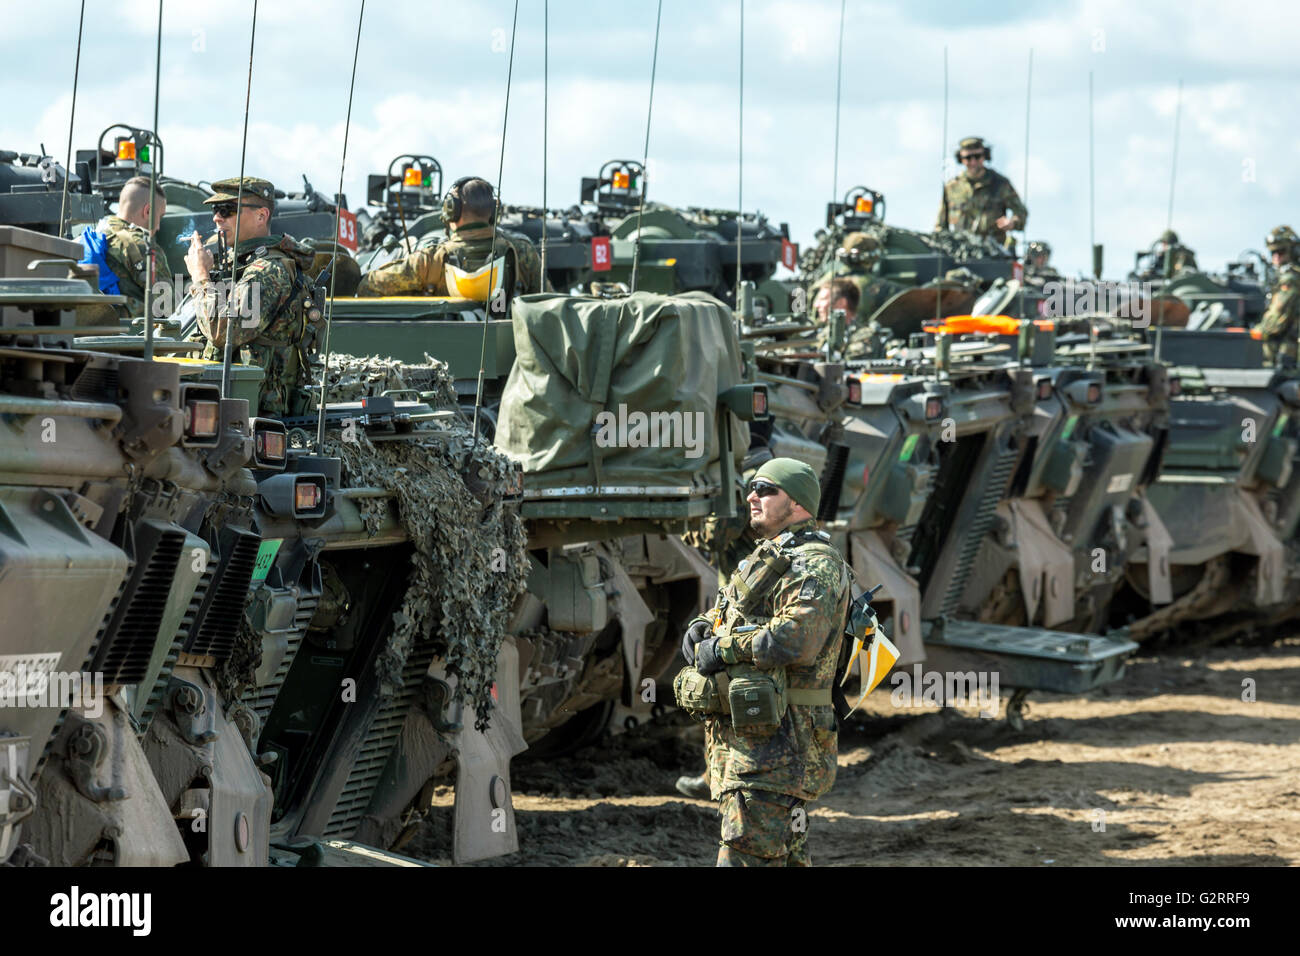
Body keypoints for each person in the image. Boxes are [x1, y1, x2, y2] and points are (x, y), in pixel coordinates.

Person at [679, 458, 852, 866]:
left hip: (779, 750)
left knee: (743, 856)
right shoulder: (770, 555)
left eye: (766, 489)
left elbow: (795, 640)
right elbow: (734, 611)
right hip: (757, 745)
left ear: (797, 504)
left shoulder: (815, 563)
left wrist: (720, 649)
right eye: (752, 488)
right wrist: (703, 626)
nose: (752, 497)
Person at [185, 177, 318, 417]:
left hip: (256, 411)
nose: (217, 217)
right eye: (216, 210)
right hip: (234, 404)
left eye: (227, 210)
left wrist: (200, 276)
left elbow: (222, 331)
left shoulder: (268, 270)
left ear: (261, 215)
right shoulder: (243, 264)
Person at [356, 176, 544, 305]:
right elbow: (546, 302)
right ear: (494, 213)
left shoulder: (429, 260)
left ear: (451, 210)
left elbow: (367, 286)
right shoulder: (522, 253)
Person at [90, 175, 170, 317]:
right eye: (160, 216)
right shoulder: (143, 247)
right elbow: (168, 308)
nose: (158, 227)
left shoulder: (94, 235)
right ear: (148, 211)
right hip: (132, 336)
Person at [935, 136, 1028, 247]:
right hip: (959, 250)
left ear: (985, 157)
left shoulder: (1000, 184)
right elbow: (941, 225)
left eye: (977, 156)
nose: (973, 162)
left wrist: (1012, 223)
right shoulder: (952, 187)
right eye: (968, 158)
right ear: (961, 159)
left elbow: (1021, 213)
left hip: (992, 252)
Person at [1254, 225, 1300, 367]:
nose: (1276, 256)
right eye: (1273, 252)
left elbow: (1276, 319)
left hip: (1287, 352)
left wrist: (1251, 334)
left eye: (1281, 251)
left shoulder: (1290, 279)